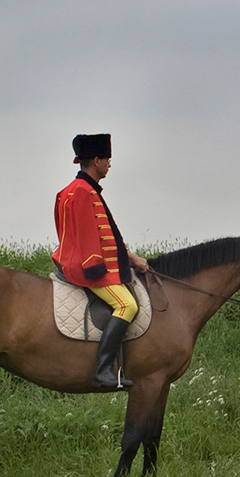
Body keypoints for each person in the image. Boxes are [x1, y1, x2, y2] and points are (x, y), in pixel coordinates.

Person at [51, 133, 150, 390]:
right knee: (127, 305)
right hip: (86, 266)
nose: (109, 164)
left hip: (74, 260)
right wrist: (96, 268)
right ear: (96, 160)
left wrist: (131, 259)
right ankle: (103, 370)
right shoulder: (83, 192)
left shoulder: (72, 191)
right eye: (107, 159)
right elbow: (87, 237)